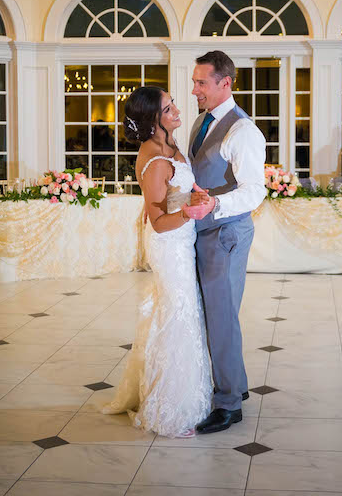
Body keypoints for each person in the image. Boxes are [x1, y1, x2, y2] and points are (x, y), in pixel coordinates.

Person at [102, 86, 213, 438]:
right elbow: (158, 221)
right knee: (177, 316)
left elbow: (176, 196)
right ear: (153, 120)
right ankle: (170, 408)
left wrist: (194, 197)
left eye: (173, 104)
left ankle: (186, 394)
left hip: (183, 239)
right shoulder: (153, 160)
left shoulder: (172, 147)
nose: (177, 110)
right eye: (168, 108)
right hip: (169, 245)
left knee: (182, 312)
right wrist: (189, 212)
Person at [184, 50, 267, 434]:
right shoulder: (201, 121)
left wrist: (216, 203)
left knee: (222, 316)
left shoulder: (243, 131)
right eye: (195, 81)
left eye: (202, 82)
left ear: (225, 83)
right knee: (215, 314)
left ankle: (229, 403)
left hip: (228, 232)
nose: (195, 89)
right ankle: (237, 383)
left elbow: (254, 191)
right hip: (203, 231)